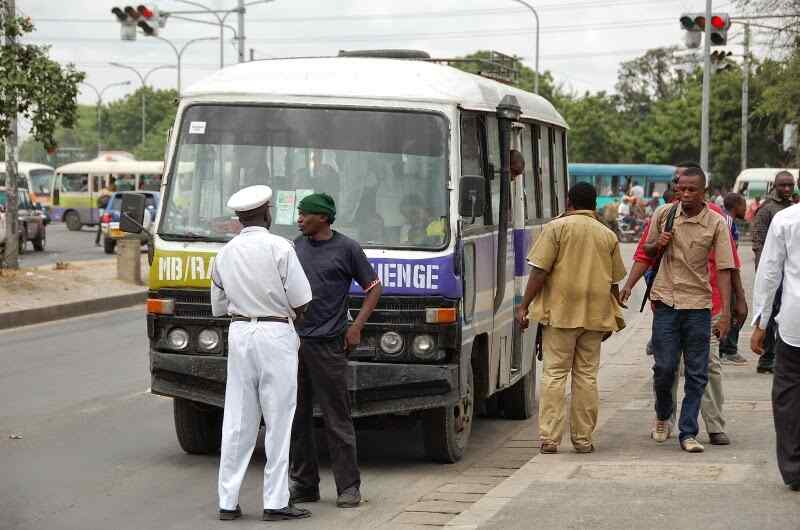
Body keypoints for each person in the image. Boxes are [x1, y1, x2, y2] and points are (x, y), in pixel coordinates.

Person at [211, 185, 313, 522]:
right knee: (279, 420)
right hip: (275, 334)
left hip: (240, 332)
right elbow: (302, 300)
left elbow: (218, 306)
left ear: (240, 218)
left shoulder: (224, 253)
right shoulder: (280, 247)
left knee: (238, 421)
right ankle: (275, 502)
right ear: (267, 212)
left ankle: (228, 502)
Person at [515, 182, 626, 454]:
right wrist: (613, 315)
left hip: (560, 314)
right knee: (586, 377)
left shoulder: (556, 228)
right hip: (594, 316)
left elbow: (539, 272)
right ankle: (583, 439)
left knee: (554, 374)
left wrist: (524, 305)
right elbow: (614, 282)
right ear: (595, 204)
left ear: (569, 202)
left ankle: (550, 439)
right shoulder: (607, 235)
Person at [290, 192, 383, 508]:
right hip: (294, 345)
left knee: (337, 418)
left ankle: (348, 487)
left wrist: (356, 327)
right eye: (299, 214)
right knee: (296, 418)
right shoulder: (294, 247)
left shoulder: (347, 249)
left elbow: (373, 288)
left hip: (329, 346)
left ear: (323, 218)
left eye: (305, 214)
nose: (299, 219)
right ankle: (304, 485)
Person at [642, 166, 736, 452]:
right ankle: (662, 414)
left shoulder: (716, 223)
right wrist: (657, 244)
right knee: (665, 368)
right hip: (666, 303)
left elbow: (724, 269)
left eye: (691, 189)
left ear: (704, 191)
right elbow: (645, 251)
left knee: (698, 373)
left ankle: (688, 432)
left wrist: (727, 313)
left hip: (699, 306)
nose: (684, 194)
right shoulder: (663, 214)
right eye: (680, 189)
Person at [751, 201, 800, 491]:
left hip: (795, 324)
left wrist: (761, 322)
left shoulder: (786, 219)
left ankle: (794, 469)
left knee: (788, 396)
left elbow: (769, 273)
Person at [752, 171, 796, 374]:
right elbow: (759, 243)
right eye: (783, 185)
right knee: (768, 316)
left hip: (790, 276)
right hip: (772, 275)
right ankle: (767, 357)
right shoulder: (767, 210)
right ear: (775, 186)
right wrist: (766, 274)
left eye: (790, 185)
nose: (786, 189)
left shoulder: (793, 208)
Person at [720, 192, 749, 365]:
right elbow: (727, 253)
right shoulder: (727, 221)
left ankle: (726, 347)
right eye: (744, 205)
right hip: (727, 273)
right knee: (738, 310)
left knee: (735, 311)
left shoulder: (728, 221)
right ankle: (728, 349)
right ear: (737, 205)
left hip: (730, 272)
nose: (746, 208)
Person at [94, 181, 116, 247]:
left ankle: (97, 241)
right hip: (109, 212)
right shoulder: (113, 194)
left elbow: (98, 202)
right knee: (110, 228)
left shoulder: (101, 192)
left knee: (101, 228)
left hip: (102, 212)